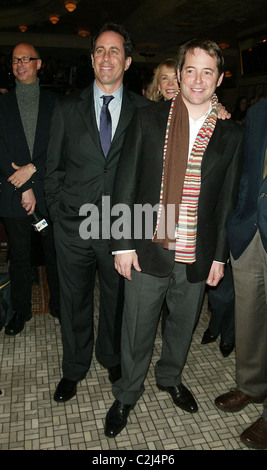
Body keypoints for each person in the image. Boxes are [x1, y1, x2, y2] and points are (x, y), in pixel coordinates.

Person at [104, 38, 244, 438]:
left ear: (218, 79)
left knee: (182, 326)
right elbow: (125, 182)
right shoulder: (149, 119)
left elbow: (226, 204)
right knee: (136, 327)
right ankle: (127, 393)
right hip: (149, 244)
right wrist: (122, 244)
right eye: (190, 70)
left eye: (207, 72)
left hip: (196, 252)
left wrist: (219, 258)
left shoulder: (231, 133)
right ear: (179, 74)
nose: (197, 80)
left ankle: (170, 378)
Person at [45, 23, 149, 403]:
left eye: (115, 51)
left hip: (121, 228)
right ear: (92, 60)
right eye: (100, 51)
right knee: (73, 300)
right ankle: (74, 367)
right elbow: (52, 167)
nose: (107, 57)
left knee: (117, 300)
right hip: (73, 226)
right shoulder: (67, 107)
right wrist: (58, 212)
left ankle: (111, 357)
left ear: (127, 61)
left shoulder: (145, 110)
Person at [214, 98, 267, 450]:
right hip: (250, 231)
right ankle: (251, 385)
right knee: (249, 318)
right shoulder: (261, 110)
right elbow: (248, 168)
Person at [0, 43, 60, 336]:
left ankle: (60, 306)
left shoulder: (55, 103)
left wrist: (32, 173)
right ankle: (20, 311)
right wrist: (21, 183)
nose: (19, 64)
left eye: (26, 59)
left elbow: (60, 147)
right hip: (12, 194)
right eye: (14, 60)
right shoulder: (2, 104)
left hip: (49, 191)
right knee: (19, 258)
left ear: (39, 64)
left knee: (55, 254)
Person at [201, 261, 235, 357]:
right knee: (219, 297)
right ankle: (214, 326)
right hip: (225, 256)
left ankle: (229, 336)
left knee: (240, 296)